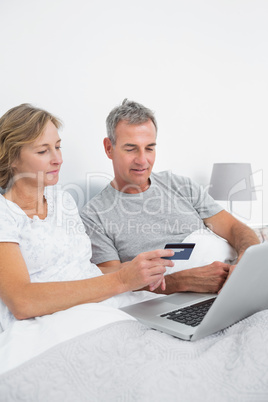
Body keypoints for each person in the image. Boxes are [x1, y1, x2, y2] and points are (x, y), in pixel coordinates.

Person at [0, 103, 175, 331]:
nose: (58, 159)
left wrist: (136, 270)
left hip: (98, 304)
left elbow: (83, 270)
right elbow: (22, 302)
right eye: (43, 151)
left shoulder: (62, 200)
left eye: (58, 147)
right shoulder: (5, 213)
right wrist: (122, 281)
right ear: (11, 157)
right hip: (49, 321)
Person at [81, 99, 260, 295]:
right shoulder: (94, 215)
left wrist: (246, 262)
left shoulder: (180, 185)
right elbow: (114, 282)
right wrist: (182, 281)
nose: (142, 160)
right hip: (182, 300)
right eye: (131, 149)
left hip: (239, 284)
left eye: (149, 148)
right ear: (109, 148)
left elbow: (236, 228)